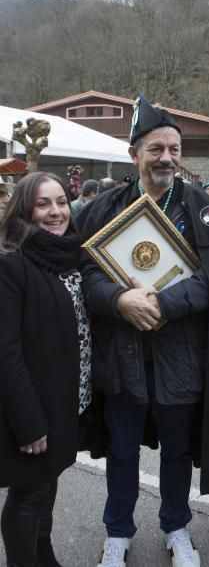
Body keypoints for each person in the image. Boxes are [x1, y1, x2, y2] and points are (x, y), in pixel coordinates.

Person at [76, 94, 209, 567]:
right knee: (121, 453)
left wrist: (164, 303)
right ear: (134, 153)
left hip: (179, 360)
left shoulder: (202, 208)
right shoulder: (104, 206)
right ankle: (118, 532)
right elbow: (84, 275)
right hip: (122, 358)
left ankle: (176, 527)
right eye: (156, 149)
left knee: (176, 453)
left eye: (174, 149)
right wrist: (119, 301)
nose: (167, 158)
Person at [0, 172, 91, 567]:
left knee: (47, 481)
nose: (56, 212)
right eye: (43, 204)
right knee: (28, 492)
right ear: (24, 209)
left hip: (65, 396)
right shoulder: (12, 262)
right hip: (33, 405)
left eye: (61, 202)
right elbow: (5, 350)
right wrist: (29, 422)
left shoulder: (68, 254)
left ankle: (43, 550)